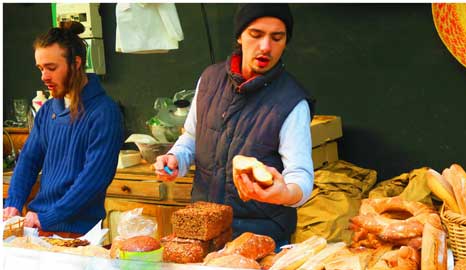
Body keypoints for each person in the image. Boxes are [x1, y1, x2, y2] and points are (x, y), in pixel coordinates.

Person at [154, 3, 314, 248]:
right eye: (256, 34)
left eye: (277, 38)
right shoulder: (209, 80)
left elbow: (301, 176)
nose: (265, 47)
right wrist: (176, 158)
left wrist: (285, 193)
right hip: (205, 228)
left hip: (259, 236)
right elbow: (192, 137)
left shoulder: (292, 102)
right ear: (240, 36)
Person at [3, 22, 123, 233]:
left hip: (77, 231)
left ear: (76, 63)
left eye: (51, 68)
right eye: (41, 69)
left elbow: (93, 181)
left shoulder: (104, 112)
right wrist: (13, 204)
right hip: (39, 226)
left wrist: (49, 217)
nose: (44, 77)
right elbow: (28, 161)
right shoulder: (48, 110)